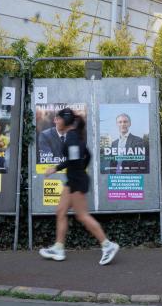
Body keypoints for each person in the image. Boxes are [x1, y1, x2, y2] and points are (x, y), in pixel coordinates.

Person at [40, 108, 119, 265]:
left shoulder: (72, 138)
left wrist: (55, 168)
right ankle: (58, 248)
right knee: (60, 211)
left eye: (58, 118)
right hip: (73, 180)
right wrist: (78, 169)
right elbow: (87, 155)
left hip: (76, 182)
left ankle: (108, 245)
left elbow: (74, 161)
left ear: (64, 121)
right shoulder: (73, 135)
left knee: (82, 215)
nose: (56, 121)